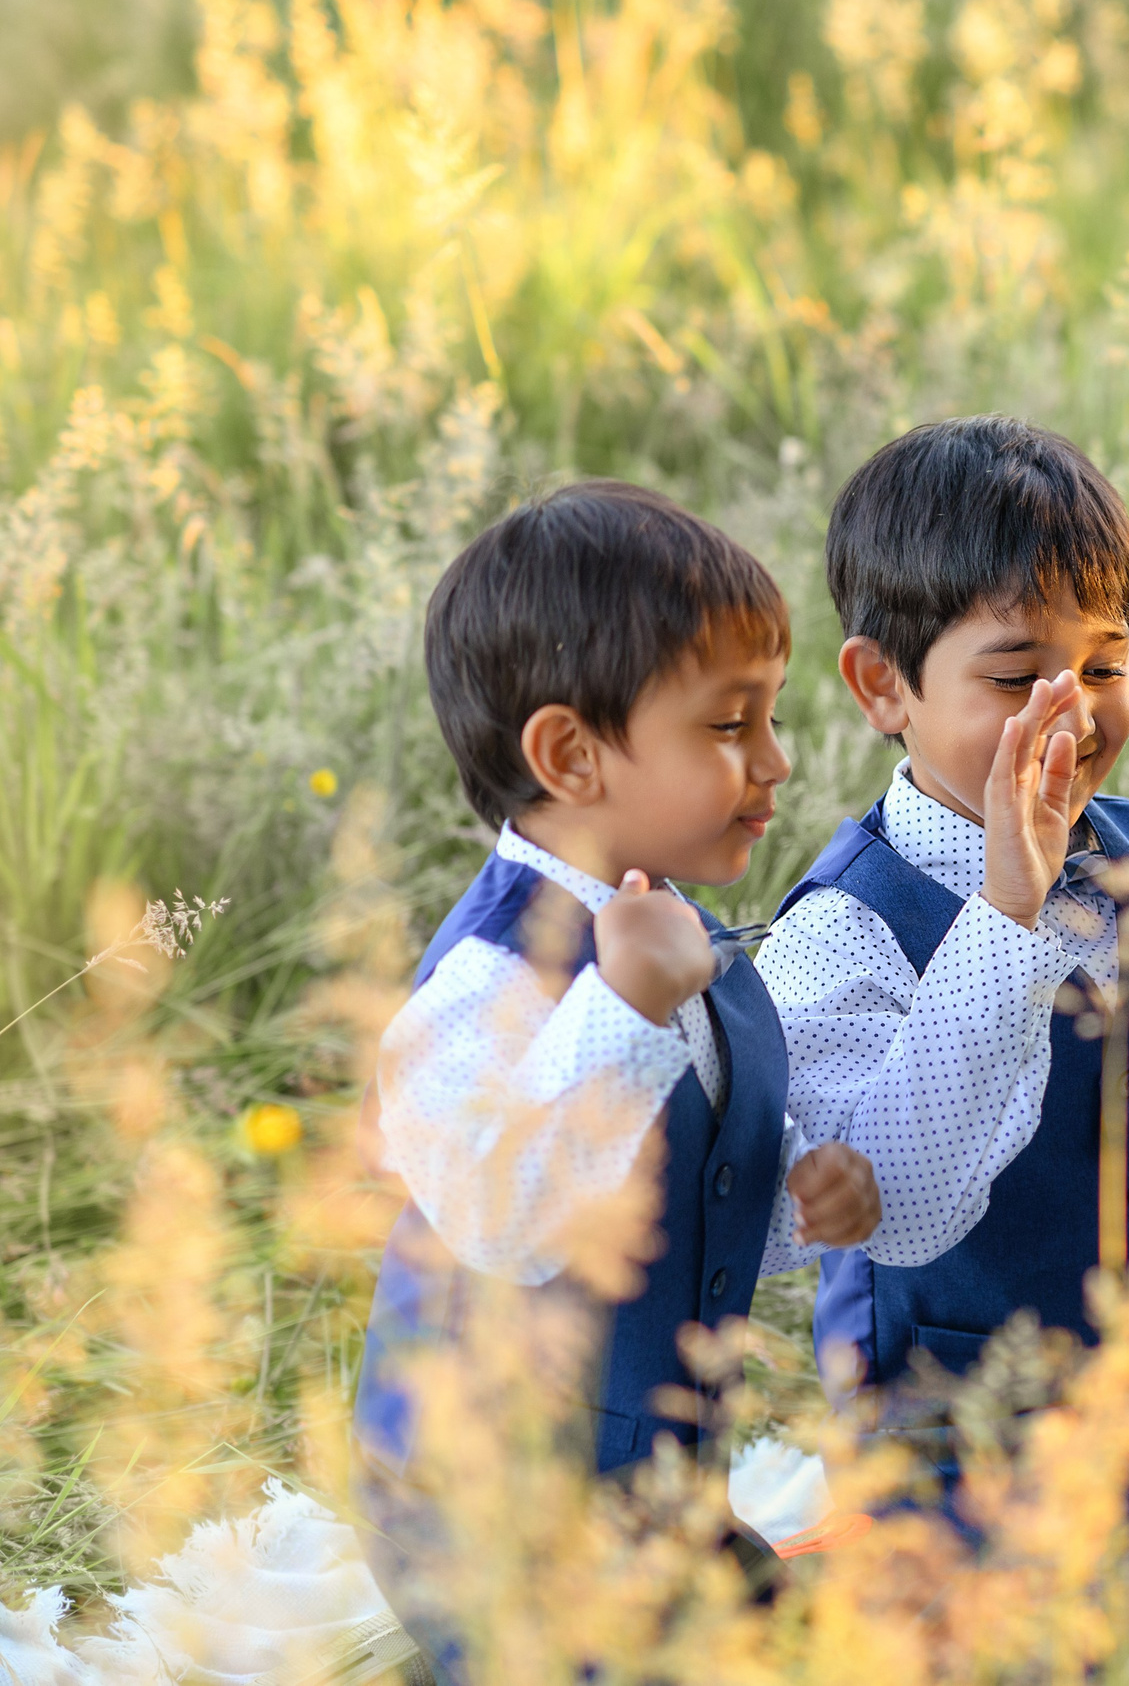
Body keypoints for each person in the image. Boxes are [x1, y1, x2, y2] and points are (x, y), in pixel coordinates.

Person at [351, 481, 883, 1681]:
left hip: (652, 1488)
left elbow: (689, 1178)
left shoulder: (673, 937)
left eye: (771, 717)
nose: (778, 761)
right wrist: (626, 1006)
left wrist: (804, 1194)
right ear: (570, 755)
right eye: (729, 725)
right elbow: (504, 1215)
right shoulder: (484, 985)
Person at [760, 417, 1129, 1494]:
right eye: (1016, 674)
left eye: (1104, 664)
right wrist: (1005, 912)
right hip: (952, 1442)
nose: (1069, 712)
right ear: (882, 685)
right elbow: (879, 1194)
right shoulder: (842, 931)